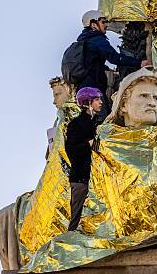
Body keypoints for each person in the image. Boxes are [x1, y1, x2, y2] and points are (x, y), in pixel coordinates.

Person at [75, 10, 148, 120]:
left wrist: (106, 69)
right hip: (93, 89)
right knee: (103, 119)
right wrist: (139, 63)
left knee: (91, 119)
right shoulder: (97, 39)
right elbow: (114, 58)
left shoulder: (85, 41)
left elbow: (92, 63)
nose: (106, 25)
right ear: (93, 24)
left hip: (83, 89)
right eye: (103, 22)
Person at [65, 87, 102, 232]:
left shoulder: (96, 123)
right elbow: (71, 150)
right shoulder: (76, 124)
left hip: (95, 179)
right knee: (76, 219)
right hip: (81, 179)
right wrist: (89, 144)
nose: (101, 102)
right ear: (87, 103)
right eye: (97, 100)